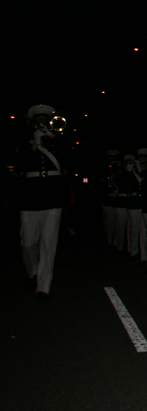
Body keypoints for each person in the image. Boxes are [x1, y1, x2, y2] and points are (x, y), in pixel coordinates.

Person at [17, 104, 70, 299]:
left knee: (49, 243)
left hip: (52, 193)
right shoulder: (24, 140)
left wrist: (53, 140)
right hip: (30, 195)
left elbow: (67, 161)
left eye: (45, 119)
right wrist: (33, 146)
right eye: (38, 119)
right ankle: (32, 271)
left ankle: (43, 285)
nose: (42, 122)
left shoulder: (58, 140)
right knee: (28, 241)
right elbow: (17, 165)